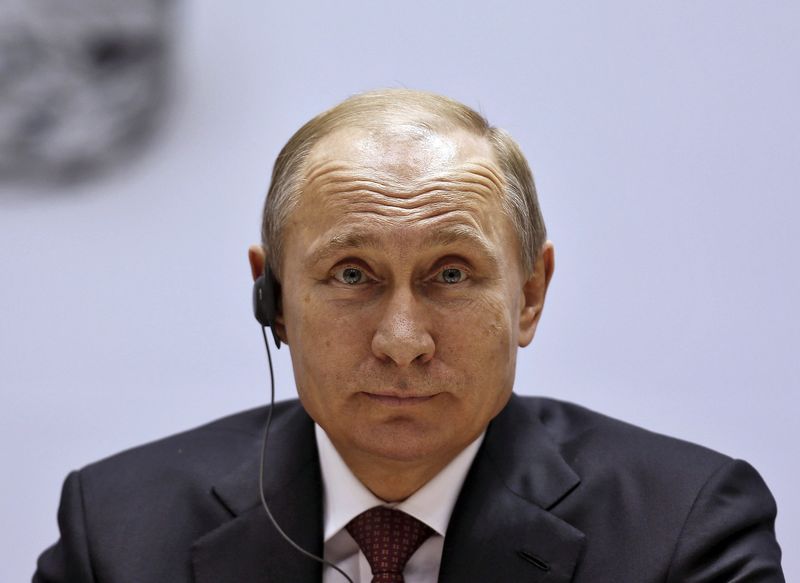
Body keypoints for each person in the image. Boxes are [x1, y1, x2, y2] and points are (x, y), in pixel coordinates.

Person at [34, 89, 784, 582]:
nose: (402, 340)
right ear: (276, 301)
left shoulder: (684, 530)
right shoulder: (119, 530)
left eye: (451, 274)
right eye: (352, 274)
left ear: (529, 294)